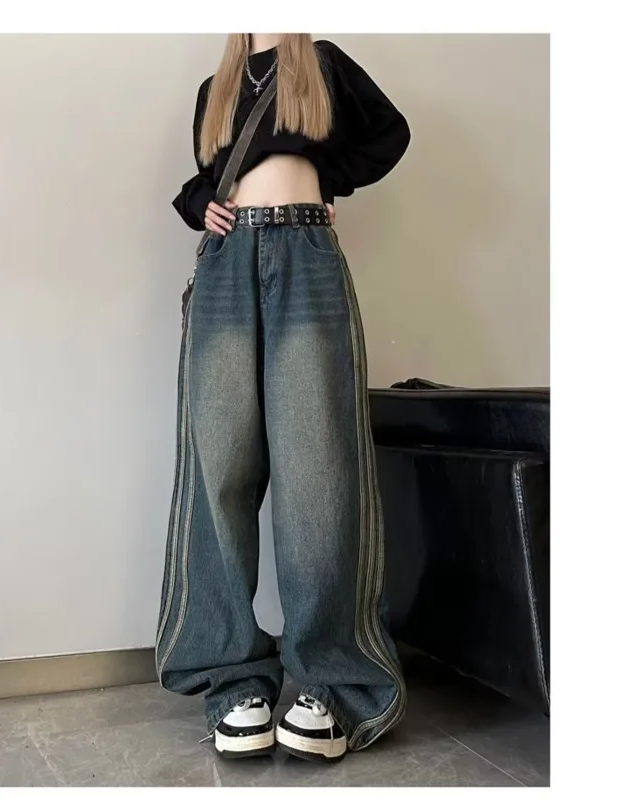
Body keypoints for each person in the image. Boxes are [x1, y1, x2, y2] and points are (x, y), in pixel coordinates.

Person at [156, 33, 411, 763]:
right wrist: (202, 202)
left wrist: (328, 181)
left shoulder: (321, 62)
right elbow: (208, 178)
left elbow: (391, 135)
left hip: (306, 253)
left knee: (318, 471)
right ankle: (231, 675)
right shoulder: (214, 89)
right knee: (220, 471)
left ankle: (331, 679)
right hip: (226, 264)